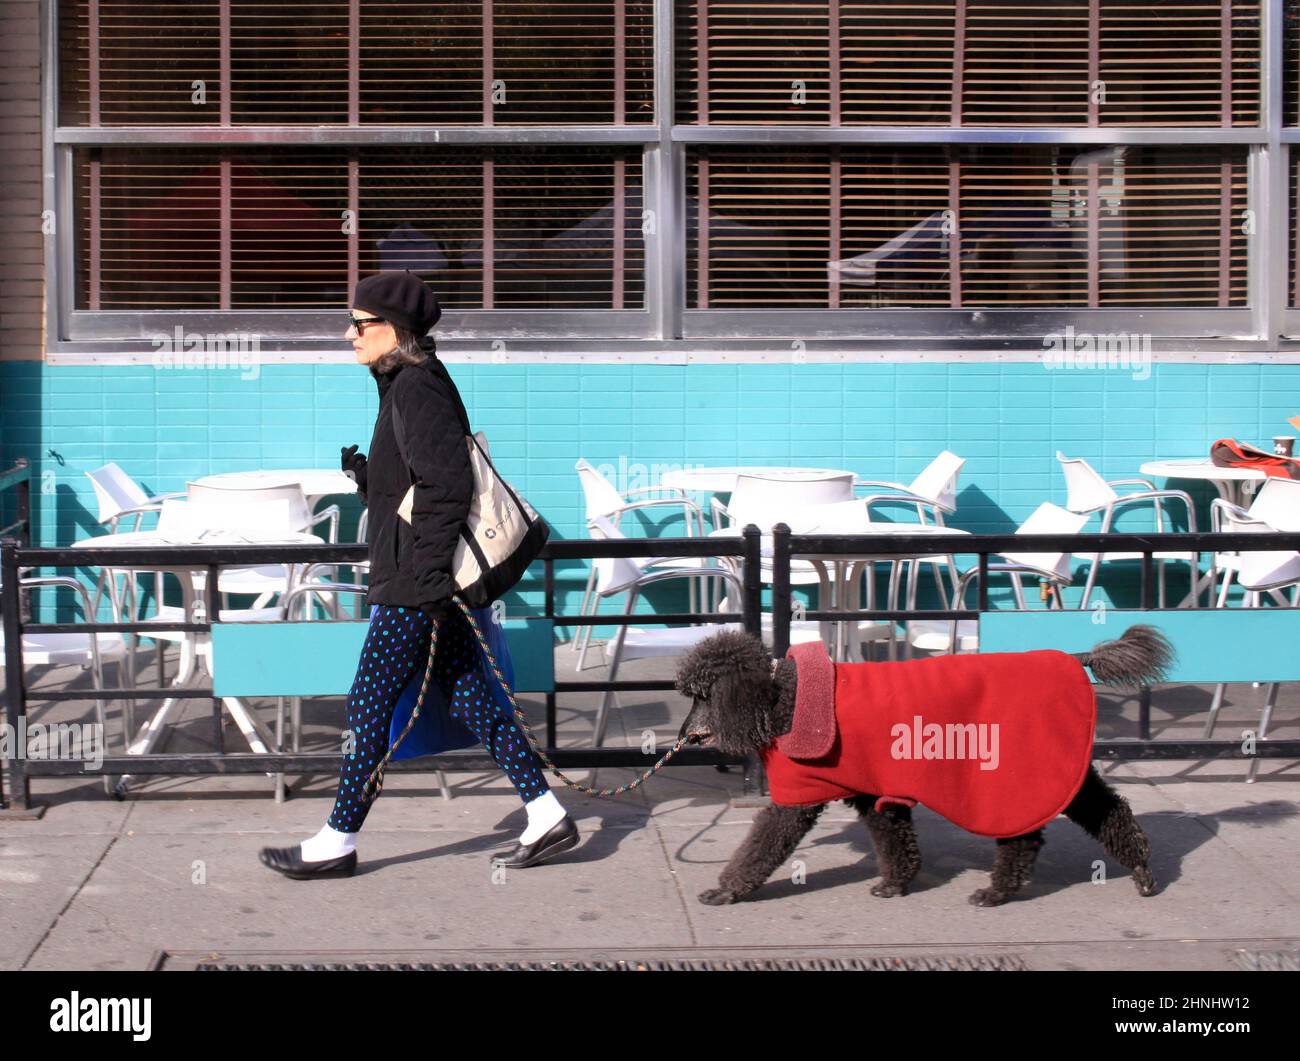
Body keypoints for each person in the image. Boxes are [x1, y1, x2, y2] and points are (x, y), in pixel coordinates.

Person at [259, 271, 578, 880]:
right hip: (419, 578)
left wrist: (428, 579)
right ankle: (545, 813)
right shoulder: (401, 382)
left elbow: (447, 486)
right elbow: (418, 476)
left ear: (395, 330)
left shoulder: (417, 386)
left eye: (361, 324)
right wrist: (369, 476)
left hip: (416, 583)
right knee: (472, 695)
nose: (348, 334)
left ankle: (337, 839)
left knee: (368, 706)